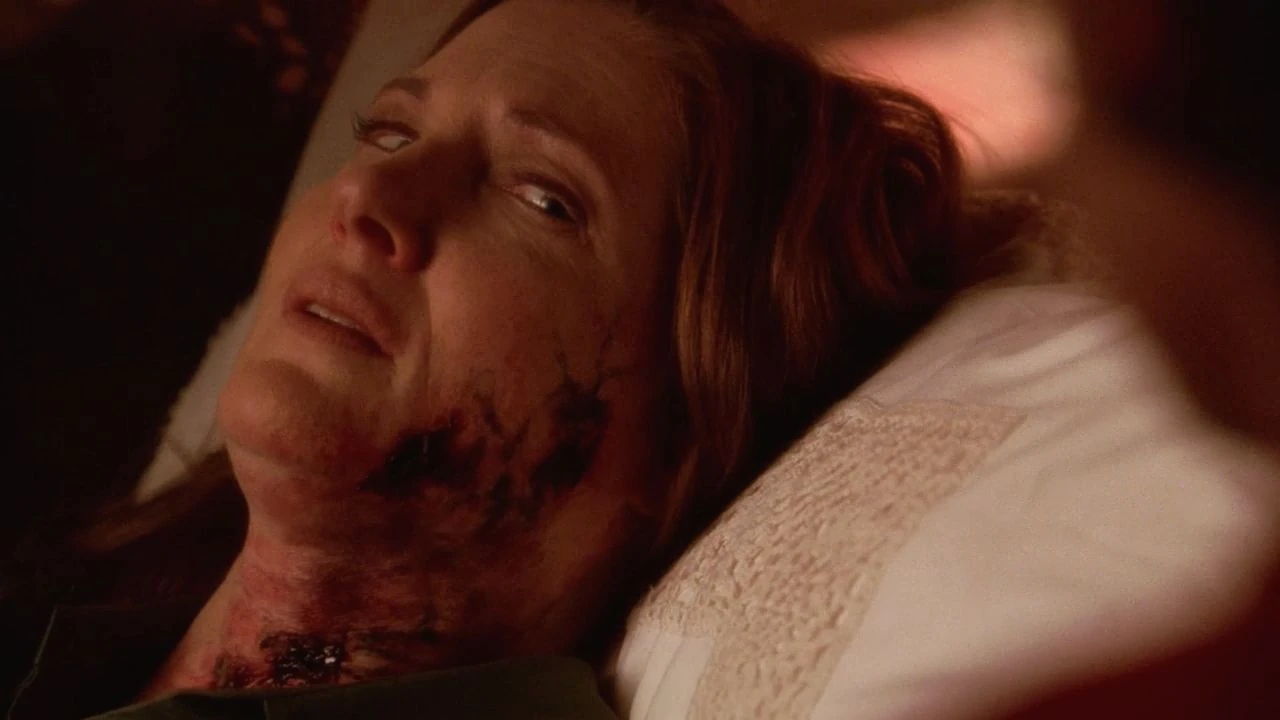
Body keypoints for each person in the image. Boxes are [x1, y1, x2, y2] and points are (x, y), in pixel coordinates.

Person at [4, 0, 992, 717]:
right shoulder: (54, 609)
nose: (370, 197)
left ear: (685, 428)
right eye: (387, 132)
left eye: (540, 197)